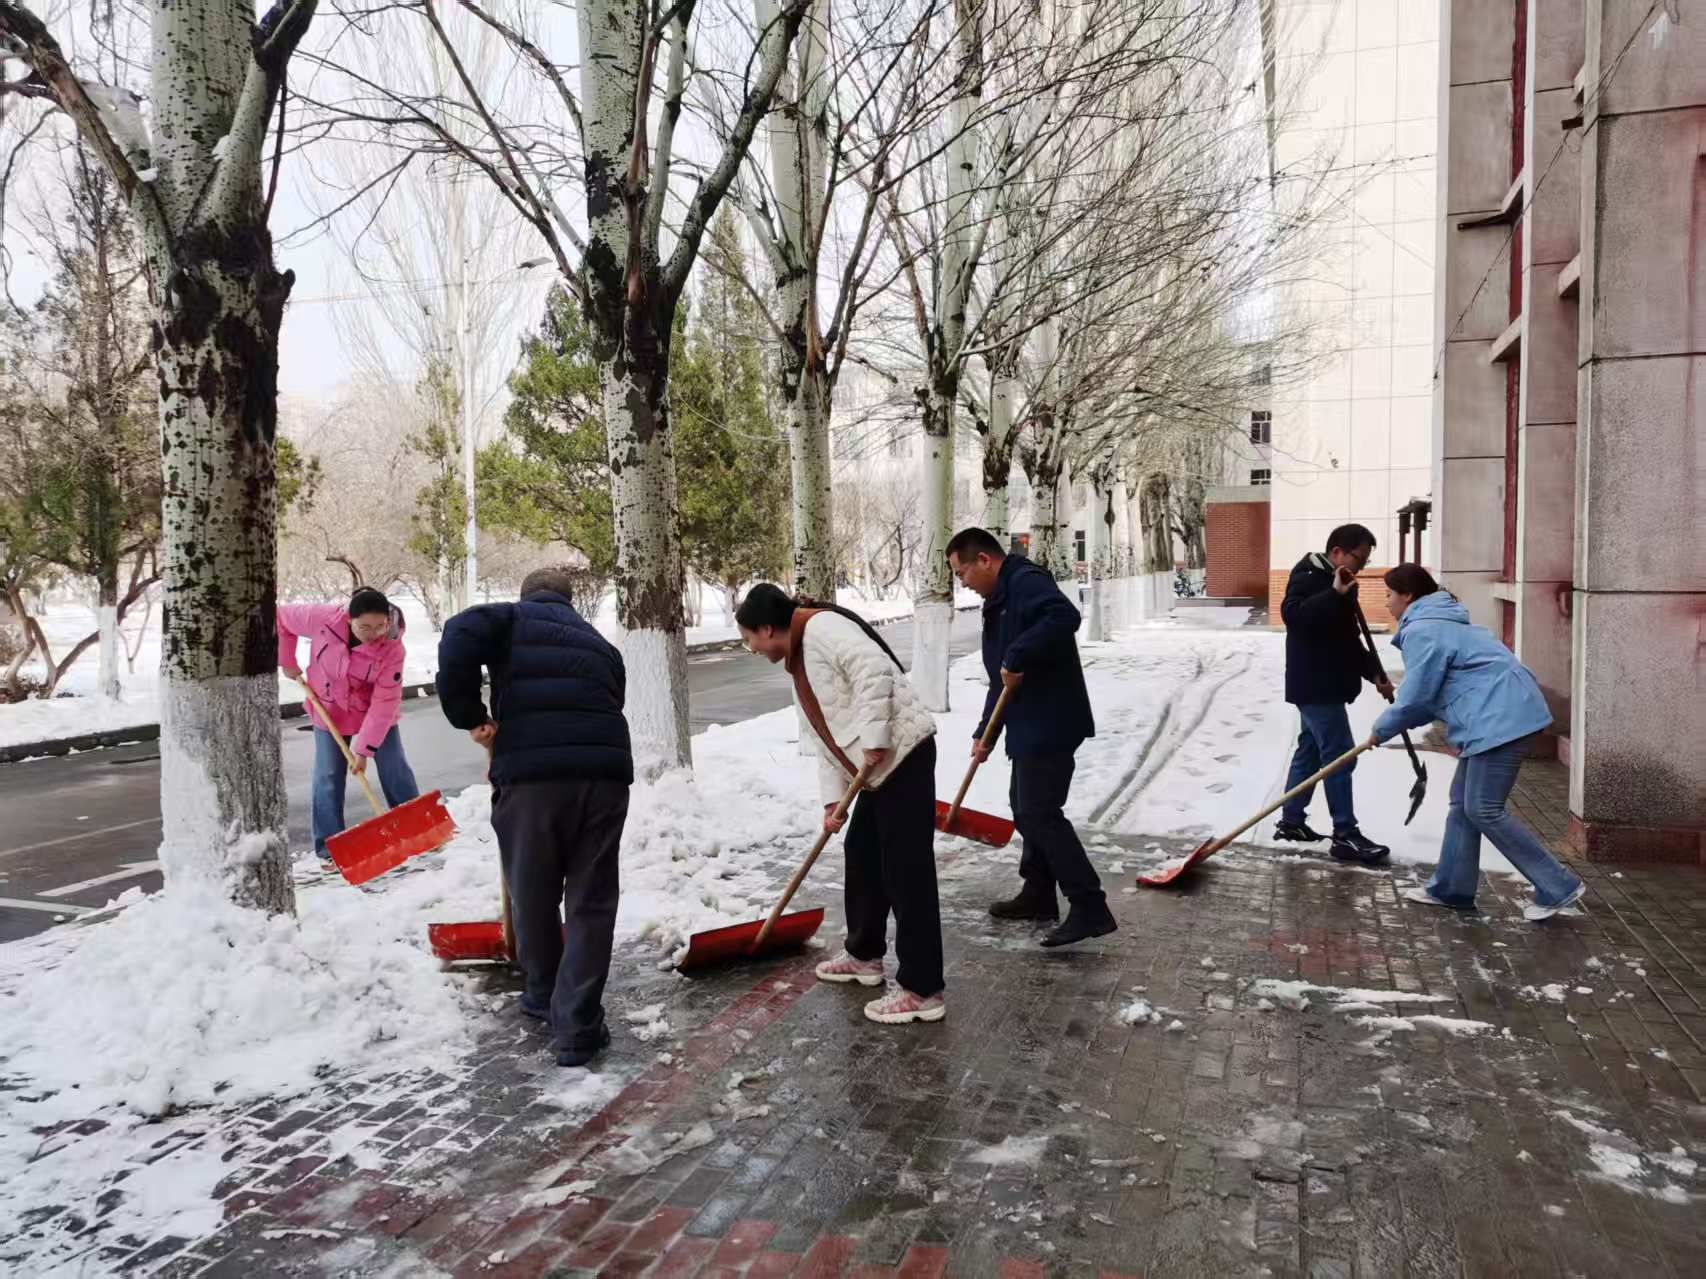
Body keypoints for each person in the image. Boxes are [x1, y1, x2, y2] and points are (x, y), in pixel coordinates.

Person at [436, 568, 633, 1067]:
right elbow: (613, 699)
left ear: (527, 596)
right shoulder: (601, 645)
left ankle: (543, 994)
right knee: (591, 902)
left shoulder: (510, 618)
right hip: (605, 779)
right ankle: (578, 1029)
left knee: (533, 891)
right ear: (569, 602)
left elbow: (458, 632)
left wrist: (470, 715)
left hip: (532, 781)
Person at [736, 584, 945, 1025]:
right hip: (877, 770)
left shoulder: (822, 628)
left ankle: (923, 989)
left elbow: (874, 670)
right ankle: (864, 956)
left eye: (748, 638)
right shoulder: (799, 661)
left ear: (767, 629)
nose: (750, 648)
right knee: (862, 853)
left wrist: (874, 737)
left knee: (906, 872)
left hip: (901, 756)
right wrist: (833, 801)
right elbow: (824, 738)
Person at [1366, 565, 1585, 921]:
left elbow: (1418, 696)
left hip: (1499, 718)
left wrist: (1381, 729)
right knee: (1463, 804)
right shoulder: (1440, 621)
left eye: (1389, 594)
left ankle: (1557, 885)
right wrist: (1389, 727)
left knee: (1483, 808)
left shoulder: (1424, 629)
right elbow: (1429, 696)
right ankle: (1452, 888)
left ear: (1407, 595)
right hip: (1500, 713)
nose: (1387, 602)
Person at [946, 528, 1115, 949]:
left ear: (984, 560)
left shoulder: (1025, 581)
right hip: (1028, 722)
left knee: (1040, 811)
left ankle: (1089, 904)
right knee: (1025, 810)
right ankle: (1038, 893)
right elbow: (1001, 679)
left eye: (962, 572)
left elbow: (1065, 616)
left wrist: (1019, 653)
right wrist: (985, 733)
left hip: (1052, 718)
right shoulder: (998, 601)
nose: (962, 582)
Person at [1276, 523, 1395, 865]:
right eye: (1359, 558)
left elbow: (1348, 639)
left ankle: (1291, 821)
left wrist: (1375, 672)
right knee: (1341, 755)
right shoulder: (1308, 574)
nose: (1362, 567)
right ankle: (1345, 834)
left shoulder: (1341, 581)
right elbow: (1294, 617)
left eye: (1366, 561)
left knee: (1311, 751)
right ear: (1338, 552)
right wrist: (1334, 593)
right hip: (1316, 685)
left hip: (1327, 684)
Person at [278, 588, 419, 861]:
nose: (373, 634)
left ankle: (414, 829)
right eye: (364, 627)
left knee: (394, 768)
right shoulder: (322, 619)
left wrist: (363, 751)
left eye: (380, 626)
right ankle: (330, 847)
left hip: (373, 713)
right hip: (329, 708)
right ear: (349, 619)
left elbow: (385, 702)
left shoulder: (392, 648)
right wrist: (287, 661)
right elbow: (281, 618)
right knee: (328, 775)